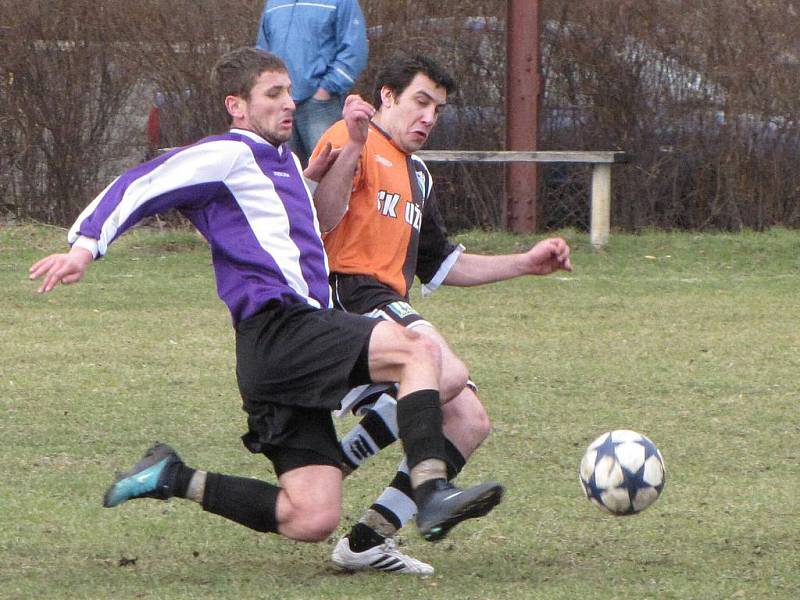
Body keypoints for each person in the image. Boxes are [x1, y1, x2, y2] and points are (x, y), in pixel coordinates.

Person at [28, 47, 503, 548]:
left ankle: (172, 476)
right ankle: (431, 491)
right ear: (237, 106)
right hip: (282, 327)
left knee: (311, 517)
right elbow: (144, 183)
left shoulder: (284, 163)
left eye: (289, 92)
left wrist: (313, 176)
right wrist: (85, 247)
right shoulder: (227, 153)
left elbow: (302, 226)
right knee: (419, 351)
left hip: (274, 359)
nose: (289, 104)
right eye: (273, 94)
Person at [310, 54, 573, 574]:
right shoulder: (350, 136)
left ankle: (366, 542)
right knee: (442, 367)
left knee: (470, 421)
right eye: (420, 102)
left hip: (387, 304)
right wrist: (355, 145)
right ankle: (333, 464)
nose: (428, 117)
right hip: (345, 296)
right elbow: (320, 214)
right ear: (387, 96)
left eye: (438, 108)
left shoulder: (419, 174)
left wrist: (525, 263)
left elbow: (442, 263)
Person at [255, 0, 368, 166]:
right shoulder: (274, 3)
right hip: (279, 104)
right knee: (284, 173)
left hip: (321, 106)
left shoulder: (341, 2)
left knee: (329, 171)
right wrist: (269, 91)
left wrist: (327, 89)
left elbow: (355, 48)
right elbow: (262, 52)